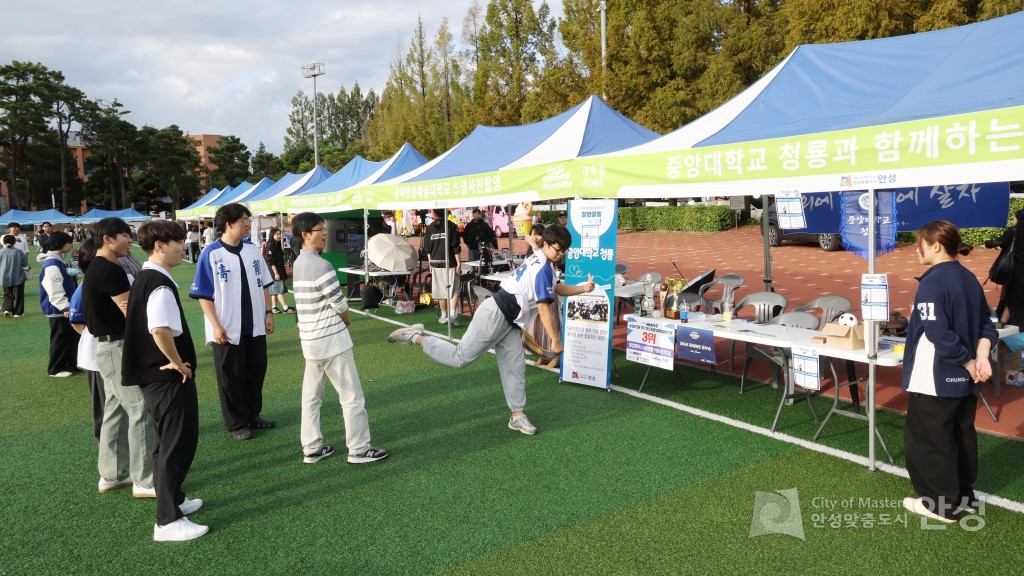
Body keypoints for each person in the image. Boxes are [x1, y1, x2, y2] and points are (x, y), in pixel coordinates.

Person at [387, 225, 595, 435]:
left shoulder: (545, 262)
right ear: (546, 244)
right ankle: (416, 337)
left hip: (510, 322)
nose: (560, 255)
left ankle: (517, 416)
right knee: (460, 358)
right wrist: (555, 340)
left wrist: (582, 289)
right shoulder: (542, 266)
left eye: (563, 251)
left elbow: (556, 288)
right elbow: (543, 306)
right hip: (495, 314)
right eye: (557, 250)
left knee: (515, 367)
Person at [901, 220, 997, 524]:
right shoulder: (968, 278)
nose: (917, 249)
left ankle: (938, 505)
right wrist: (981, 357)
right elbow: (987, 323)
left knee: (930, 439)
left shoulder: (933, 281)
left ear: (936, 245)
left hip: (936, 377)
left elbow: (938, 334)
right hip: (965, 377)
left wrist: (970, 362)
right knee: (960, 434)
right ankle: (963, 496)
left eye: (920, 243)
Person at [123, 220, 207, 541]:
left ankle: (175, 500)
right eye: (179, 242)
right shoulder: (158, 283)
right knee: (176, 444)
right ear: (160, 246)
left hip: (153, 378)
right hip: (166, 378)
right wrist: (176, 363)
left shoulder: (146, 278)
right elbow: (159, 329)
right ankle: (167, 521)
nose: (184, 246)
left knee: (164, 444)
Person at [290, 213, 389, 465]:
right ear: (305, 235)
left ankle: (312, 447)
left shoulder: (300, 262)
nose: (324, 233)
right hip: (331, 339)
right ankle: (358, 448)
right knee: (351, 397)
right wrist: (346, 320)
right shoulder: (321, 265)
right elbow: (338, 302)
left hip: (310, 341)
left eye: (324, 228)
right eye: (319, 229)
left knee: (311, 398)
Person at [83, 217, 156, 498]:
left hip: (106, 348)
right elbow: (132, 313)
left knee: (114, 409)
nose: (130, 240)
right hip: (116, 347)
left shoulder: (98, 267)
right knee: (139, 409)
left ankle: (112, 475)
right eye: (126, 235)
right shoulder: (110, 270)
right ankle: (145, 479)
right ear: (107, 239)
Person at [190, 203, 276, 441]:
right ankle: (236, 423)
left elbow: (265, 284)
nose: (248, 225)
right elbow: (204, 296)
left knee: (256, 371)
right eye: (244, 221)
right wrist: (216, 326)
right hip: (227, 328)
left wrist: (268, 312)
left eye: (248, 220)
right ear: (228, 224)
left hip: (255, 324)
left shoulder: (252, 250)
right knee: (231, 376)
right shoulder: (211, 254)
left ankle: (252, 415)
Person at [68, 237, 104, 442]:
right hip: (96, 355)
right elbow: (76, 321)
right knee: (102, 403)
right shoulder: (85, 286)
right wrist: (96, 338)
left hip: (110, 353)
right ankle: (105, 443)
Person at [39, 232, 80, 377]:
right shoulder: (52, 264)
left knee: (71, 337)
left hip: (66, 307)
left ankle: (71, 364)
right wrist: (65, 306)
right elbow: (53, 289)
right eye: (69, 242)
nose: (71, 245)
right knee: (60, 338)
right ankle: (55, 369)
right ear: (61, 244)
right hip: (59, 309)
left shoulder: (61, 260)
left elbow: (75, 274)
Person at [984, 209, 1024, 326]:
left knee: (1011, 298)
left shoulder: (1014, 231)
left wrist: (989, 243)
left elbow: (998, 242)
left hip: (1015, 272)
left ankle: (1002, 323)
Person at [424, 209, 462, 327]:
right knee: (454, 290)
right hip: (450, 262)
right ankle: (452, 315)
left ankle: (444, 316)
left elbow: (427, 249)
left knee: (441, 291)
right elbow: (455, 246)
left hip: (435, 263)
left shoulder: (430, 228)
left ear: (434, 214)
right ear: (447, 214)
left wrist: (430, 263)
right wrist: (459, 263)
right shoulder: (451, 226)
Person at [264, 227, 294, 314]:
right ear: (272, 235)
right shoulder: (271, 245)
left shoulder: (276, 245)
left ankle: (274, 307)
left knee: (274, 291)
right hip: (274, 272)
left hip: (278, 270)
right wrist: (276, 273)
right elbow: (270, 261)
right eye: (276, 234)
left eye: (279, 234)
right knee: (279, 291)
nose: (278, 236)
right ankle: (286, 308)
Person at [1, 234, 29, 317]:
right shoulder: (19, 252)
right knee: (18, 295)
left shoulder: (1, 252)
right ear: (14, 242)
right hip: (18, 276)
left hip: (4, 276)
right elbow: (25, 264)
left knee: (7, 293)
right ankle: (18, 312)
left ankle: (7, 309)